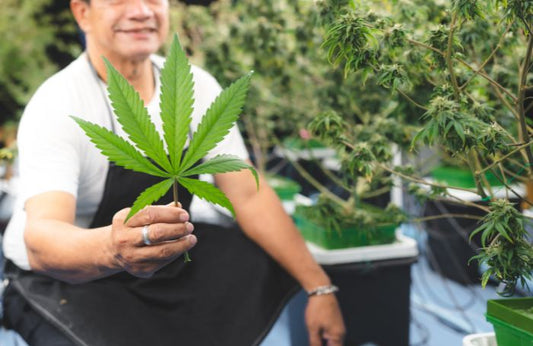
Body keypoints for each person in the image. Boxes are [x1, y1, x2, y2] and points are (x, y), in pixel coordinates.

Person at [2, 0, 345, 345]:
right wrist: (113, 248)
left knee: (253, 260)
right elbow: (42, 238)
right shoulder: (59, 103)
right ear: (82, 13)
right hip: (67, 281)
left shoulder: (196, 85)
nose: (141, 11)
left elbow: (247, 195)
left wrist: (319, 287)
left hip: (165, 263)